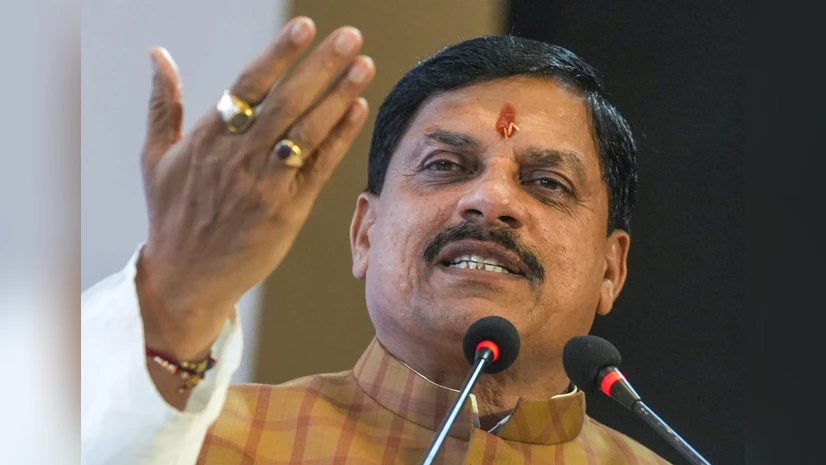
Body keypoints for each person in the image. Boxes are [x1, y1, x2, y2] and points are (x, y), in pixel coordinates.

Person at [81, 15, 670, 464]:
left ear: (610, 271)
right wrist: (175, 299)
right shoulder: (203, 446)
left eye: (546, 183)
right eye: (445, 165)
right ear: (364, 233)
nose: (491, 199)